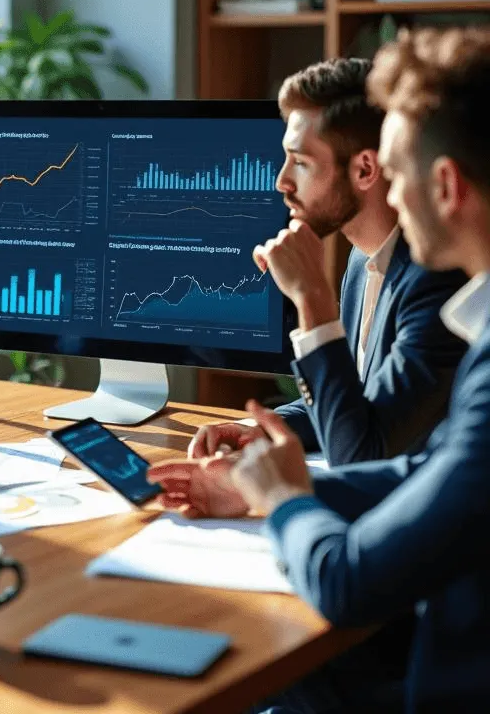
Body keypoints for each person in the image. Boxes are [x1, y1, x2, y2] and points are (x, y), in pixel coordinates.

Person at [150, 26, 490, 711]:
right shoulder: (393, 279)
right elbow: (431, 469)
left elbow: (345, 578)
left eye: (398, 175)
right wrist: (258, 485)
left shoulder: (440, 295)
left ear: (446, 185)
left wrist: (284, 500)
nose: (390, 199)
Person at [189, 58, 466, 466]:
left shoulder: (437, 282)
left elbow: (361, 452)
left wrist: (311, 295)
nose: (281, 181)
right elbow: (352, 401)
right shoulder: (362, 259)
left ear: (365, 169)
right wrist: (260, 431)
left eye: (300, 162)